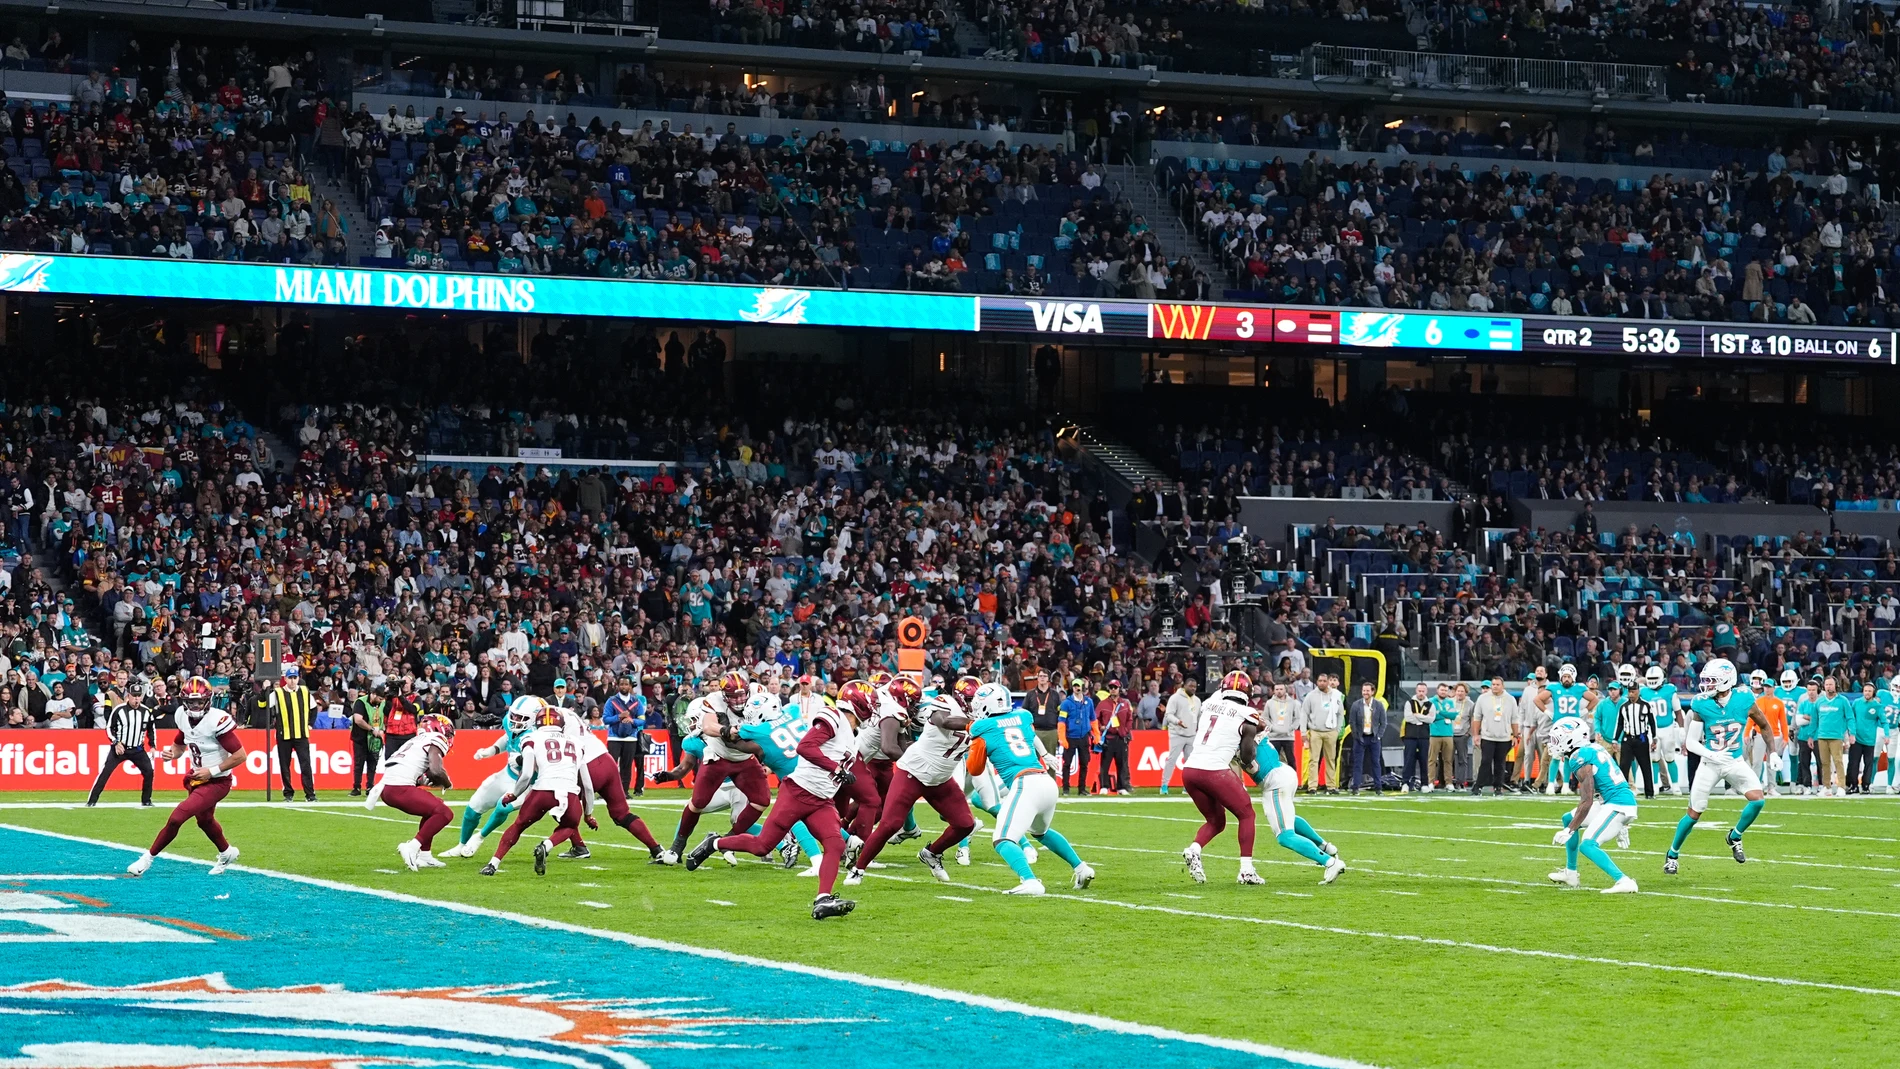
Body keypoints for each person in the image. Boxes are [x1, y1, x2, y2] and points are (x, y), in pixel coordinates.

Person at [685, 673, 860, 921]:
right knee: (762, 846)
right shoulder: (792, 715)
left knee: (835, 844)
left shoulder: (758, 731)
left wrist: (733, 731)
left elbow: (738, 739)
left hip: (820, 795)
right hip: (797, 790)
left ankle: (823, 899)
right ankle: (715, 843)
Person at [966, 680, 1094, 895]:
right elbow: (1031, 736)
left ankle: (1030, 881)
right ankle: (1082, 868)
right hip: (1045, 781)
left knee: (1002, 840)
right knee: (1041, 832)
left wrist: (974, 745)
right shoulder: (1023, 717)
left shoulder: (982, 729)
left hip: (1025, 784)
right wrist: (1044, 755)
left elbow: (975, 769)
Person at [846, 691, 978, 884]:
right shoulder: (945, 703)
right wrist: (972, 724)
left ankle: (931, 853)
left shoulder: (984, 721)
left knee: (966, 824)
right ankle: (858, 869)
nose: (970, 704)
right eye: (968, 699)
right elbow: (943, 721)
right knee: (890, 824)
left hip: (940, 779)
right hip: (913, 773)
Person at [1664, 658, 1777, 875]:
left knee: (1758, 801)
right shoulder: (1701, 703)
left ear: (1727, 681)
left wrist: (1772, 752)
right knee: (1694, 813)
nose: (1707, 685)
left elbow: (1764, 725)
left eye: (1712, 680)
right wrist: (1712, 754)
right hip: (1710, 763)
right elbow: (1691, 742)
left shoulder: (1744, 699)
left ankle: (1735, 836)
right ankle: (1672, 854)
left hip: (1734, 761)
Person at [125, 678, 246, 877]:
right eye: (191, 702)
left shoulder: (216, 720)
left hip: (218, 781)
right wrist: (171, 753)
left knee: (177, 817)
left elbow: (241, 755)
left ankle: (146, 859)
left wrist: (212, 770)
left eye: (199, 702)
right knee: (205, 820)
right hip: (197, 778)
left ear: (208, 700)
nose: (195, 706)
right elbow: (180, 745)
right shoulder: (181, 714)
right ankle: (227, 852)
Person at [479, 704, 596, 877]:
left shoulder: (531, 738)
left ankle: (493, 864)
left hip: (542, 790)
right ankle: (546, 846)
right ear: (561, 723)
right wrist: (588, 815)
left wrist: (514, 794)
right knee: (570, 825)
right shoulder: (576, 743)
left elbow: (526, 775)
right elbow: (587, 785)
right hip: (569, 791)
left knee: (518, 825)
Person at [667, 671, 769, 857]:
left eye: (742, 695)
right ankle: (677, 845)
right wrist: (726, 729)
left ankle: (726, 842)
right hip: (719, 755)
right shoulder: (714, 699)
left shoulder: (758, 693)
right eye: (733, 696)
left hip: (745, 759)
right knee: (698, 802)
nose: (739, 700)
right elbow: (708, 726)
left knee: (762, 800)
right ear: (724, 695)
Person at [1181, 670, 1268, 885]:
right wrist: (1256, 735)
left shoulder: (1209, 703)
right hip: (1214, 770)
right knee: (1247, 814)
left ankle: (1194, 849)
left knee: (1216, 821)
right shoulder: (1248, 715)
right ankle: (1246, 870)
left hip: (1190, 769)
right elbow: (1247, 757)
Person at [1547, 720, 1640, 894]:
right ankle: (1571, 873)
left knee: (1588, 845)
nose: (1553, 744)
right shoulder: (1593, 748)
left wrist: (1569, 831)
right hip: (1613, 801)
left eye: (1557, 739)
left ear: (1570, 739)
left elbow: (1587, 800)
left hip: (1618, 804)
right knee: (1568, 818)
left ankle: (1624, 880)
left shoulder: (1579, 757)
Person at [565, 703, 668, 861]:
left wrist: (588, 815)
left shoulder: (549, 722)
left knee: (559, 803)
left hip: (588, 764)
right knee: (621, 814)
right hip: (606, 759)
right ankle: (656, 848)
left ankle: (579, 846)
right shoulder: (567, 714)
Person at [441, 695, 537, 860]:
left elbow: (539, 763)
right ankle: (461, 845)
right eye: (513, 715)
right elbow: (507, 738)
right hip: (507, 773)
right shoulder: (509, 722)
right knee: (473, 807)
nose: (515, 720)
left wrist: (521, 759)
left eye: (521, 718)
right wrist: (491, 750)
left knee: (503, 807)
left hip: (527, 784)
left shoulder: (537, 734)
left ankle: (480, 837)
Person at [365, 712, 456, 871]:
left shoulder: (416, 740)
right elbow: (436, 770)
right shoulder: (436, 738)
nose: (448, 736)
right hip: (399, 788)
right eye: (447, 732)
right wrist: (447, 783)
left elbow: (413, 771)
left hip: (387, 788)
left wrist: (421, 780)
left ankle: (425, 856)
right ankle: (412, 847)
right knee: (445, 813)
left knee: (433, 809)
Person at [88, 685, 157, 807]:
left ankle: (146, 800)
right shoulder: (119, 710)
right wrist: (116, 742)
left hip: (138, 749)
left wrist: (152, 745)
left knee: (149, 772)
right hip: (120, 748)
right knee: (105, 772)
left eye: (138, 696)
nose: (136, 699)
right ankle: (92, 801)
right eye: (133, 696)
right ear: (128, 696)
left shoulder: (146, 711)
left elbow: (151, 729)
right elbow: (109, 727)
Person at [270, 664, 316, 802]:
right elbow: (266, 707)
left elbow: (313, 709)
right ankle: (288, 793)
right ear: (285, 679)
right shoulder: (277, 693)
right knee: (285, 765)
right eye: (290, 678)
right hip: (284, 734)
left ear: (298, 678)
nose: (292, 681)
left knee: (306, 765)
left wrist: (309, 724)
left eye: (295, 678)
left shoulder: (305, 691)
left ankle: (310, 794)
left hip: (301, 734)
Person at [1804, 674, 1851, 797]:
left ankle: (1841, 786)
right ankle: (1827, 786)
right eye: (1826, 684)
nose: (1828, 686)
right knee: (1824, 763)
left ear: (1836, 686)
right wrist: (1810, 736)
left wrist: (1852, 734)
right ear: (1823, 687)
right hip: (1821, 736)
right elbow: (1814, 721)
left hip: (1836, 736)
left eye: (1831, 684)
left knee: (1838, 761)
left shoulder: (1843, 701)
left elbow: (1850, 718)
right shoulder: (1819, 702)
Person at [1470, 676, 1517, 796]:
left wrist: (1516, 735)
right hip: (1487, 736)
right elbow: (1477, 718)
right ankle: (1478, 785)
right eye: (1493, 684)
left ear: (1503, 686)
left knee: (1500, 763)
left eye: (1497, 684)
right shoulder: (1483, 698)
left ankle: (1498, 787)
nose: (1495, 686)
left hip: (1504, 736)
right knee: (1485, 761)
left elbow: (1514, 719)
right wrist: (1475, 734)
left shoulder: (1510, 699)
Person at [1613, 673, 1657, 799]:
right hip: (1627, 739)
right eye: (1629, 691)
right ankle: (1622, 793)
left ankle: (1649, 793)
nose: (1631, 694)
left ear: (1638, 691)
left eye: (1633, 691)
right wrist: (1615, 739)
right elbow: (1620, 724)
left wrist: (1654, 738)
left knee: (1645, 766)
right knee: (1624, 766)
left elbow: (1652, 722)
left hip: (1642, 738)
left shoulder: (1646, 706)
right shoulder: (1624, 707)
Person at [1299, 672, 1345, 793]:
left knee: (1331, 759)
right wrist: (1303, 732)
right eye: (1320, 681)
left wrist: (1337, 730)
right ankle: (1312, 786)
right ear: (1317, 682)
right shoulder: (1310, 695)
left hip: (1331, 731)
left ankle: (1331, 786)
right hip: (1315, 731)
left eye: (1324, 681)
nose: (1322, 683)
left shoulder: (1335, 695)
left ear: (1328, 682)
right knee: (1313, 760)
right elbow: (1304, 713)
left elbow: (1340, 713)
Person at [602, 675, 647, 794]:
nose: (624, 686)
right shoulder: (611, 701)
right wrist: (619, 717)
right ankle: (607, 792)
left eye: (626, 684)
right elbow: (605, 719)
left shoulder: (637, 702)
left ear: (630, 686)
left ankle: (624, 792)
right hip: (614, 737)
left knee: (626, 767)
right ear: (617, 685)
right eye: (621, 684)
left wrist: (632, 721)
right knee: (611, 766)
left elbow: (642, 720)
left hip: (631, 738)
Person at [1746, 669, 1788, 797]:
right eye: (1765, 687)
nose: (1766, 689)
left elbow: (1783, 721)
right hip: (1759, 734)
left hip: (1774, 735)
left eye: (1769, 687)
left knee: (1772, 762)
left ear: (1774, 688)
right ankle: (1754, 786)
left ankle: (1771, 787)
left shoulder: (1779, 703)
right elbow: (1751, 719)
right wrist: (1747, 733)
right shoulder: (1758, 701)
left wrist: (1785, 737)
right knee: (1757, 762)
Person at [1641, 665, 1683, 794]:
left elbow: (1678, 711)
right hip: (1651, 730)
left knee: (1670, 757)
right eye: (1650, 678)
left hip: (1667, 728)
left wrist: (1681, 728)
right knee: (1654, 757)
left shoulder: (1669, 690)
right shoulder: (1643, 692)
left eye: (1655, 678)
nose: (1652, 680)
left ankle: (1675, 785)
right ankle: (1654, 785)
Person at [1159, 676, 1200, 794]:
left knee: (1190, 763)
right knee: (1171, 760)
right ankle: (1164, 785)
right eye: (1191, 686)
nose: (1193, 689)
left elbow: (1199, 717)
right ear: (1184, 686)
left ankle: (1187, 787)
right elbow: (1168, 715)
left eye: (1195, 687)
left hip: (1191, 735)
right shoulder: (1175, 698)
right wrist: (1178, 722)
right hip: (1177, 734)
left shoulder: (1197, 700)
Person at [1094, 679, 1134, 795]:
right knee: (1105, 763)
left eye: (1115, 687)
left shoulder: (1125, 703)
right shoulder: (1103, 704)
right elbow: (1095, 718)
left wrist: (1125, 730)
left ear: (1119, 689)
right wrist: (1100, 727)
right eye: (1111, 687)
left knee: (1121, 763)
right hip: (1108, 737)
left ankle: (1121, 787)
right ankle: (1104, 786)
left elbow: (1129, 719)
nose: (1113, 689)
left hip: (1121, 737)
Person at [1347, 680, 1387, 794]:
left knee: (1376, 762)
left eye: (1367, 691)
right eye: (1364, 690)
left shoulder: (1378, 705)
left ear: (1372, 692)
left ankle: (1378, 787)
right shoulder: (1356, 704)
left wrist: (1378, 736)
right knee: (1358, 763)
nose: (1365, 693)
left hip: (1373, 738)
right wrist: (1356, 736)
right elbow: (1352, 722)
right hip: (1360, 737)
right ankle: (1356, 787)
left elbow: (1383, 722)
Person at [348, 681, 387, 797]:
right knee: (359, 763)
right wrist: (372, 730)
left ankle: (370, 786)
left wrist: (382, 730)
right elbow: (358, 720)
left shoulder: (382, 703)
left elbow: (385, 719)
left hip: (374, 739)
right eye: (380, 699)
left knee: (372, 763)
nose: (381, 701)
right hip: (360, 737)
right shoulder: (360, 702)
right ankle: (356, 787)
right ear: (373, 694)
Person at [1058, 678, 1095, 795]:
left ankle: (1082, 788)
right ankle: (1065, 789)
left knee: (1084, 763)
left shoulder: (1089, 702)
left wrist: (1096, 735)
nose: (1076, 688)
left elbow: (1093, 719)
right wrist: (1062, 738)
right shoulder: (1066, 703)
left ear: (1082, 687)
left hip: (1084, 736)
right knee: (1067, 763)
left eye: (1078, 686)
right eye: (1074, 686)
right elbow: (1061, 721)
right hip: (1071, 736)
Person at [1846, 680, 1882, 795]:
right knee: (1853, 763)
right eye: (1865, 690)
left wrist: (1886, 734)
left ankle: (1866, 785)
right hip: (1856, 738)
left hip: (1870, 739)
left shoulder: (1877, 706)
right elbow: (1851, 718)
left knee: (1869, 763)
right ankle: (1853, 785)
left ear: (1873, 692)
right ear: (1863, 691)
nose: (1867, 693)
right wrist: (1851, 733)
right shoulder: (1856, 702)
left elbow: (1884, 721)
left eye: (1869, 691)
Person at [1400, 682, 1432, 791]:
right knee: (1409, 760)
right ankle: (1405, 783)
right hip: (1410, 736)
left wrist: (1417, 716)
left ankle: (1424, 784)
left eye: (1423, 691)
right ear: (1416, 691)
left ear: (1426, 691)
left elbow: (1431, 719)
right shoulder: (1409, 703)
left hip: (1424, 737)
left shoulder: (1430, 704)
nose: (1421, 693)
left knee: (1424, 761)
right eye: (1419, 691)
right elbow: (1408, 718)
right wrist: (1423, 718)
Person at [1427, 682, 1459, 790]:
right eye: (1442, 690)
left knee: (1448, 759)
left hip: (1448, 734)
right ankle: (1430, 782)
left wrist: (1440, 712)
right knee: (1432, 760)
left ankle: (1448, 782)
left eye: (1445, 690)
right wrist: (1445, 714)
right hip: (1435, 734)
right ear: (1437, 690)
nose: (1444, 692)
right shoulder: (1431, 701)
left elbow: (1453, 715)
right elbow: (1432, 716)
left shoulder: (1450, 702)